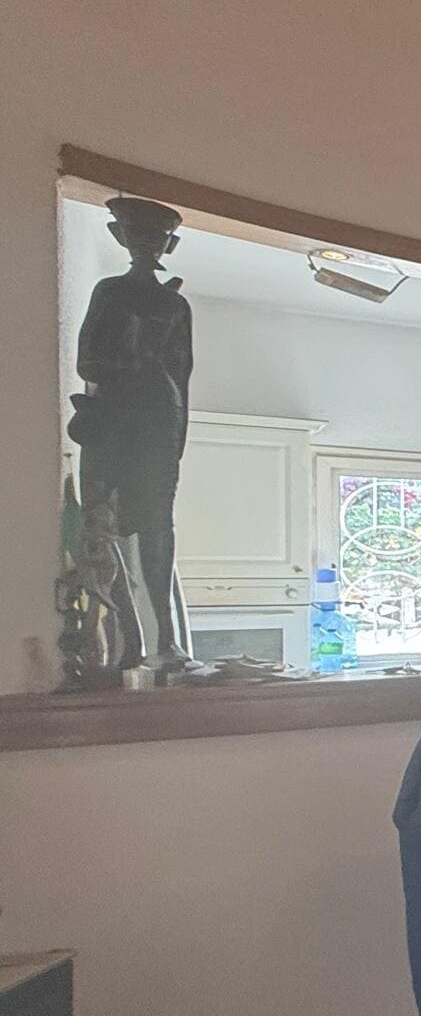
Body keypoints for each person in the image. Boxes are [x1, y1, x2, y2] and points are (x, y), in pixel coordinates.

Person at [68, 197, 193, 669]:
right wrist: (134, 351)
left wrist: (176, 439)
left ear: (167, 245)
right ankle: (125, 641)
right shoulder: (110, 291)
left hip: (159, 419)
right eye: (137, 236)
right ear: (122, 238)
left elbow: (181, 373)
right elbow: (89, 361)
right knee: (106, 524)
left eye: (155, 239)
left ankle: (165, 638)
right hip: (118, 418)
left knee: (158, 524)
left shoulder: (175, 304)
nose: (146, 246)